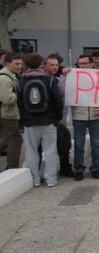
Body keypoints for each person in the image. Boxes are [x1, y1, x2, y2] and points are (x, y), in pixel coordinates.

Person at [18, 53, 64, 187]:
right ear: (41, 64)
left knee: (31, 151)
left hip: (30, 122)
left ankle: (35, 179)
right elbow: (58, 101)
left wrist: (23, 119)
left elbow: (20, 104)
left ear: (26, 65)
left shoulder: (21, 82)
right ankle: (51, 179)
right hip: (49, 121)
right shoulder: (50, 80)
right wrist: (58, 117)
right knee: (50, 150)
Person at [61, 55, 99, 180]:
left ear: (92, 64)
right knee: (79, 145)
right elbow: (62, 91)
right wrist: (64, 76)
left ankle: (95, 168)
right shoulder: (72, 77)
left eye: (84, 63)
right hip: (79, 116)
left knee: (96, 145)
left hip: (95, 116)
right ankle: (79, 169)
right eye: (79, 63)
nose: (81, 66)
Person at [0, 53, 23, 170]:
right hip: (8, 114)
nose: (19, 66)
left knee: (9, 139)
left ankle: (12, 166)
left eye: (20, 64)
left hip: (9, 113)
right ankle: (12, 166)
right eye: (16, 64)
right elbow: (8, 99)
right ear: (8, 63)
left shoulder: (10, 76)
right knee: (15, 139)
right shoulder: (4, 78)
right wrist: (21, 94)